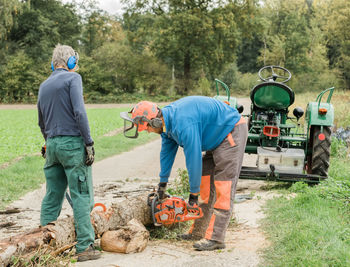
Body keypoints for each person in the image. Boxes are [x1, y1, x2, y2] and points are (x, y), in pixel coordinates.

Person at [120, 96, 248, 251]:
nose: (147, 131)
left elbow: (193, 159)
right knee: (205, 185)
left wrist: (193, 195)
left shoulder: (183, 124)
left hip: (230, 131)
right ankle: (198, 231)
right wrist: (162, 185)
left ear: (155, 121)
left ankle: (216, 237)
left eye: (147, 127)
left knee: (224, 187)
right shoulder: (166, 126)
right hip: (214, 138)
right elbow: (166, 154)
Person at [37, 44, 100, 262]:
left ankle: (42, 247)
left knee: (52, 195)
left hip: (52, 145)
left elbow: (41, 121)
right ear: (71, 62)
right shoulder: (74, 79)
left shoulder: (44, 86)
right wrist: (88, 142)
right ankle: (85, 246)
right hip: (73, 144)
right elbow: (79, 112)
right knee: (81, 194)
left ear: (53, 63)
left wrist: (50, 142)